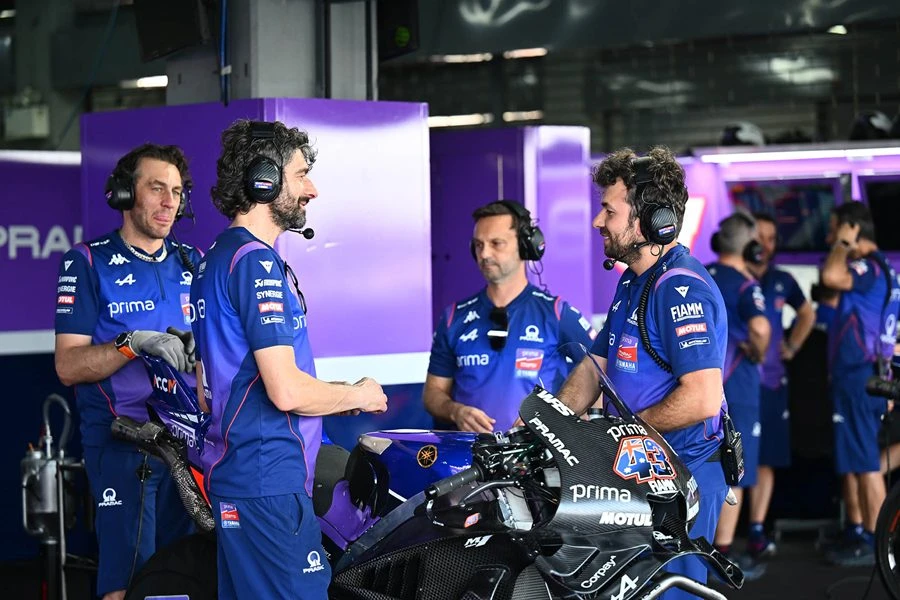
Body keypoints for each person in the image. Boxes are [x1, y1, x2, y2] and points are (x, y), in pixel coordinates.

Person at [191, 119, 388, 599]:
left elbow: (212, 387)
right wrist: (359, 396)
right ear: (264, 180)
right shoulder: (255, 263)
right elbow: (284, 390)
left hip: (241, 480)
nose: (312, 189)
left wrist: (338, 393)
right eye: (301, 175)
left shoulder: (214, 258)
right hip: (270, 484)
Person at [555, 146, 729, 600]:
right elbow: (594, 367)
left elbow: (703, 398)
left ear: (652, 221)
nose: (598, 221)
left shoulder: (680, 287)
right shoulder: (633, 281)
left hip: (683, 478)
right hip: (640, 475)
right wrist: (550, 423)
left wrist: (622, 435)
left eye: (609, 211)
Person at [54, 144, 202, 600]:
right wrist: (131, 344)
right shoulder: (87, 261)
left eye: (176, 191)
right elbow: (67, 366)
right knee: (127, 586)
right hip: (124, 443)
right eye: (156, 188)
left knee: (186, 578)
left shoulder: (192, 260)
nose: (169, 202)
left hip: (190, 444)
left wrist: (201, 351)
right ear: (123, 193)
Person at [424, 200, 596, 433]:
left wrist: (580, 426)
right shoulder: (453, 317)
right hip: (471, 452)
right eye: (478, 245)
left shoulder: (557, 313)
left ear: (526, 246)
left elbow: (599, 374)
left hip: (537, 453)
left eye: (496, 243)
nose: (484, 254)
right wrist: (456, 411)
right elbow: (433, 393)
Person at [821, 201, 900, 566]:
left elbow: (831, 276)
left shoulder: (866, 267)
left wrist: (843, 243)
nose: (830, 237)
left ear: (852, 228)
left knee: (867, 464)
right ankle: (861, 534)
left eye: (835, 229)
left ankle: (877, 543)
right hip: (869, 375)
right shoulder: (886, 269)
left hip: (859, 376)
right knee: (859, 459)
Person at [744, 212, 815, 557]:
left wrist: (793, 346)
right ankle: (722, 536)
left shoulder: (782, 279)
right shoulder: (731, 276)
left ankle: (756, 529)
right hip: (735, 385)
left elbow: (807, 313)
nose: (766, 244)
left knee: (766, 459)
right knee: (729, 458)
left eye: (772, 238)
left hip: (772, 384)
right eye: (760, 236)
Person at [705, 213, 771, 576]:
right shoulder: (747, 285)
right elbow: (760, 329)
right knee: (736, 467)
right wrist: (758, 352)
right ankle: (723, 556)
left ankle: (698, 551)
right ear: (750, 246)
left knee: (704, 464)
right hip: (738, 389)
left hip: (698, 389)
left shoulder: (699, 275)